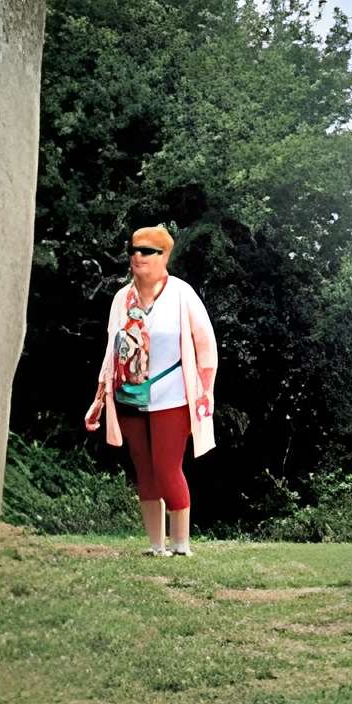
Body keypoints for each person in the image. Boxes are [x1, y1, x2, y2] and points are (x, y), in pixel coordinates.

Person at [83, 224, 218, 556]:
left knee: (167, 468)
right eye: (134, 250)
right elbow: (111, 352)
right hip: (129, 395)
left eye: (147, 251)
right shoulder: (121, 299)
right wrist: (100, 397)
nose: (137, 257)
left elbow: (206, 348)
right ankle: (156, 546)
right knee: (143, 469)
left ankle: (182, 544)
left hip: (172, 396)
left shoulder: (182, 294)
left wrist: (205, 391)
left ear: (164, 256)